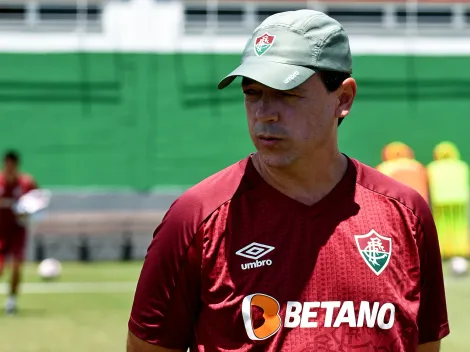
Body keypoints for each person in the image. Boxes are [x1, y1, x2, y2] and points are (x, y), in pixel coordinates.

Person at [127, 10, 449, 352]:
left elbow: (424, 344)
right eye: (252, 93)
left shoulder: (407, 214)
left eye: (287, 93)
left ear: (343, 99)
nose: (265, 112)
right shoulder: (196, 217)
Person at [0, 150, 38, 314]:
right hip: (1, 231)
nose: (10, 168)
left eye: (12, 165)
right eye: (7, 165)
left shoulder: (26, 183)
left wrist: (27, 212)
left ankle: (11, 300)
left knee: (16, 266)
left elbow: (38, 202)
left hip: (17, 231)